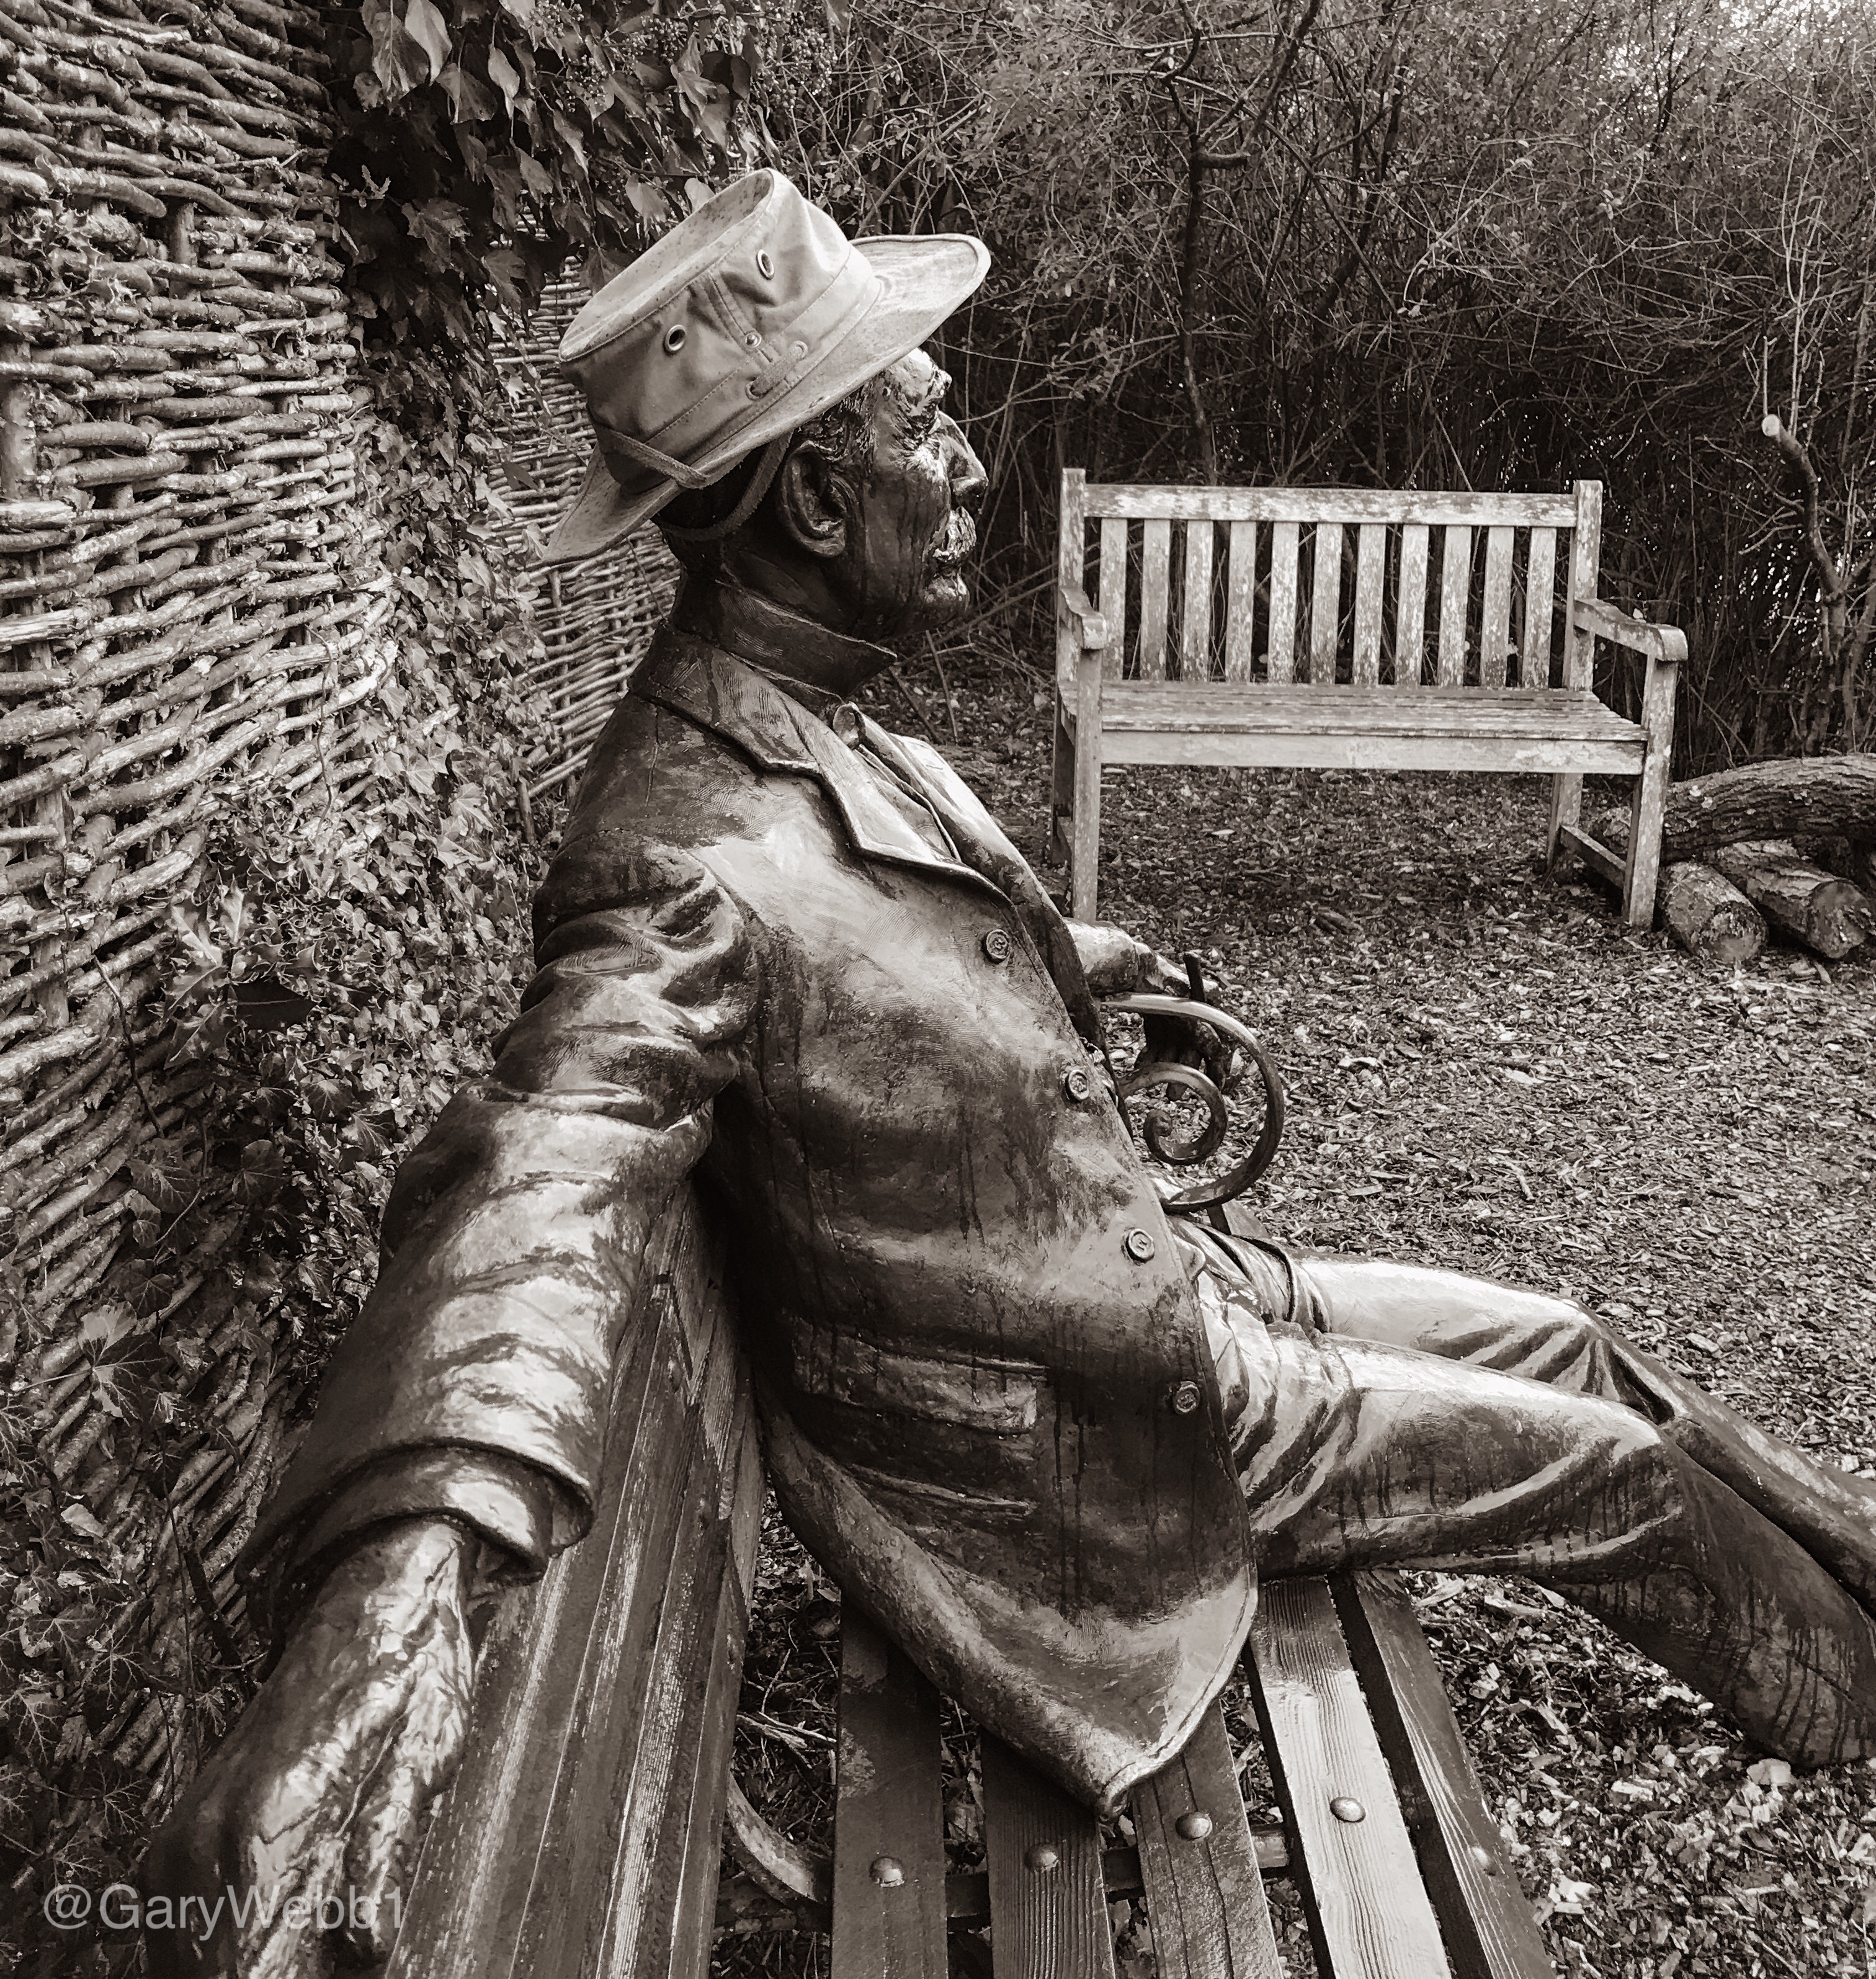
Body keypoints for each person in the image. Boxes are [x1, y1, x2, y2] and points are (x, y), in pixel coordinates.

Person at [145, 172, 1876, 1975]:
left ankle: (1853, 1547)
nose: (970, 468)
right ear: (818, 493)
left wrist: (1091, 970)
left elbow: (900, 962)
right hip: (1095, 1468)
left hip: (1161, 1311)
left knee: (1576, 1336)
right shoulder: (678, 852)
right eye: (932, 429)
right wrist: (396, 1597)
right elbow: (548, 1175)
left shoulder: (813, 707)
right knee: (1608, 1470)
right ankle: (1857, 1703)